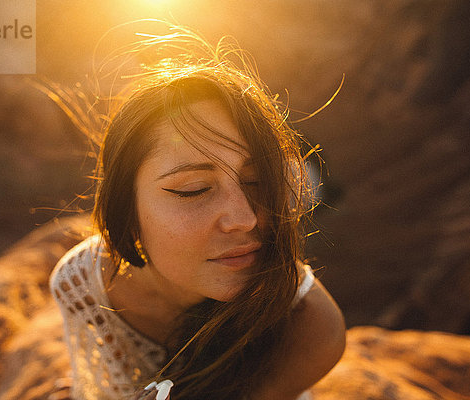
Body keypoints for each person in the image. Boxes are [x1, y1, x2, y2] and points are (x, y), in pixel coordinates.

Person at [49, 23, 346, 400]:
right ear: (127, 208)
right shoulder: (84, 286)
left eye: (256, 181)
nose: (245, 218)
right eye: (194, 190)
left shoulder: (311, 323)